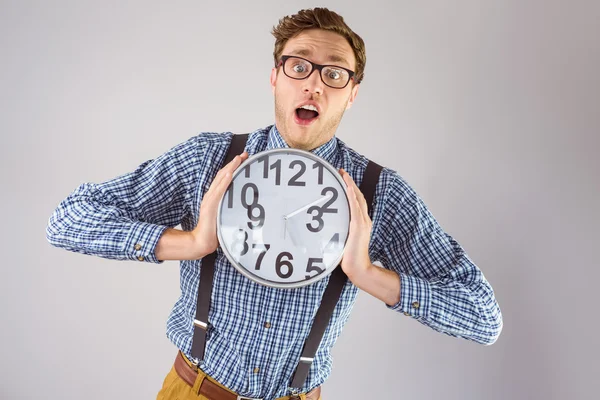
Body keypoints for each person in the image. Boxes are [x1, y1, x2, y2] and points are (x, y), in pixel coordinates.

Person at [46, 7, 503, 400]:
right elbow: (68, 218)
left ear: (352, 93)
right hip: (195, 391)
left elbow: (483, 317)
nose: (314, 85)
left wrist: (367, 275)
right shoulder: (209, 160)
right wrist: (192, 242)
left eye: (335, 72)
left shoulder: (376, 194)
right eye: (299, 66)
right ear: (275, 77)